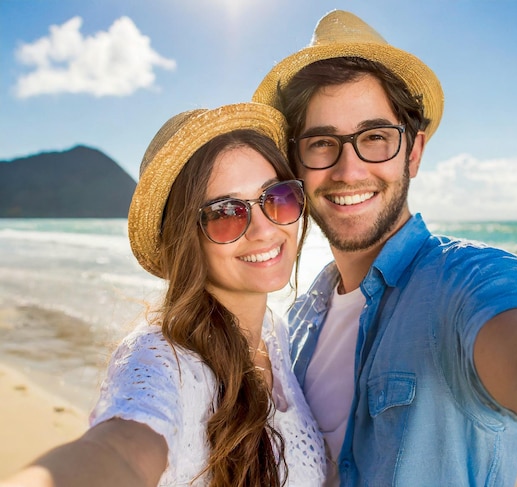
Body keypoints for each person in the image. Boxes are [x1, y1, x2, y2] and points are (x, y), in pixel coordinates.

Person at [252, 10, 517, 486]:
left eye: (375, 138)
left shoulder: (468, 282)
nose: (349, 170)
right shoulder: (301, 320)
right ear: (295, 166)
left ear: (414, 153)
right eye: (322, 143)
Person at [0, 103, 326, 487]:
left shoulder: (276, 334)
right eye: (225, 213)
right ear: (187, 237)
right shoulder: (163, 360)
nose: (264, 229)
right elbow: (118, 450)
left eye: (277, 196)